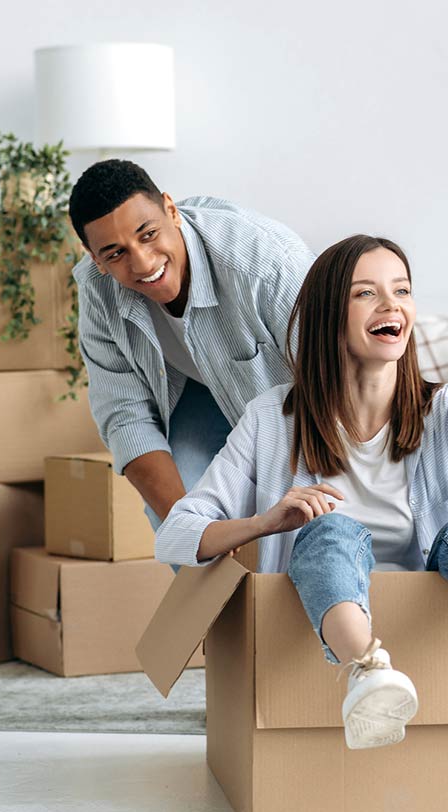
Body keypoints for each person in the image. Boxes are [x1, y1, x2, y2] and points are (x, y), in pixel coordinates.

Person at [155, 235, 448, 749]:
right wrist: (266, 522)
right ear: (329, 316)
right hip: (326, 621)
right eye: (366, 294)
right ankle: (368, 671)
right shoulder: (273, 418)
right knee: (329, 530)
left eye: (401, 290)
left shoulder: (443, 413)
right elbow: (176, 534)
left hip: (435, 609)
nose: (390, 304)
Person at [68, 159, 315, 532]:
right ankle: (217, 591)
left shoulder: (264, 261)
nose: (143, 263)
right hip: (194, 393)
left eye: (148, 234)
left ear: (171, 209)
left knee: (306, 526)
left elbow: (341, 380)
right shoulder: (97, 290)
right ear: (95, 259)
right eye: (116, 253)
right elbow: (125, 416)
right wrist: (191, 532)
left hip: (303, 405)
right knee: (178, 513)